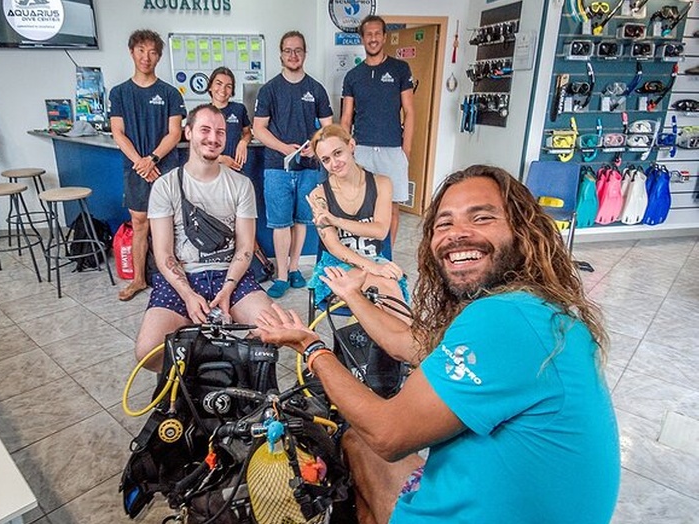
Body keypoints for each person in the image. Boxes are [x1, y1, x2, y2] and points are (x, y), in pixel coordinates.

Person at [256, 165, 620, 523]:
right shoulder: (536, 309)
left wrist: (312, 348)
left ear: (522, 230)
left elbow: (387, 434)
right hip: (498, 497)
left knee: (364, 441)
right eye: (444, 224)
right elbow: (409, 344)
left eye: (481, 218)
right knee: (357, 445)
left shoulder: (504, 318)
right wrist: (353, 296)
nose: (457, 234)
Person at [134, 104, 273, 371]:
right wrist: (187, 295)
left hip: (229, 275)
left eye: (220, 132)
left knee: (274, 331)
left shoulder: (241, 184)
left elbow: (245, 247)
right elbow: (163, 253)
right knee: (148, 352)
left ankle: (232, 375)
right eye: (205, 130)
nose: (213, 138)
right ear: (188, 133)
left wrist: (227, 289)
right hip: (182, 277)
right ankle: (199, 373)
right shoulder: (165, 185)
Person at [253, 30, 333, 298]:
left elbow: (328, 128)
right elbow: (258, 128)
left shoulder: (316, 89)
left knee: (301, 220)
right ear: (281, 54)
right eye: (288, 50)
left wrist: (316, 146)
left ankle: (295, 268)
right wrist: (283, 148)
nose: (293, 55)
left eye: (298, 50)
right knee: (280, 223)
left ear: (305, 53)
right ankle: (281, 275)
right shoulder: (269, 90)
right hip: (277, 167)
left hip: (308, 168)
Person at [109, 29, 186, 301]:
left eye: (152, 52)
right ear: (132, 52)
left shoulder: (170, 93)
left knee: (170, 223)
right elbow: (118, 133)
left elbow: (174, 133)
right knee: (139, 222)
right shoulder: (119, 93)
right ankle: (139, 280)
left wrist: (152, 159)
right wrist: (141, 164)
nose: (146, 57)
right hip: (135, 168)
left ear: (159, 57)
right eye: (141, 50)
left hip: (164, 167)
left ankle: (175, 280)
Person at [305, 124, 408, 312]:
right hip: (336, 267)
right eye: (326, 160)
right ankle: (408, 332)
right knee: (388, 290)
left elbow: (380, 230)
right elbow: (333, 247)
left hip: (374, 260)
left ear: (351, 145)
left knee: (387, 293)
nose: (334, 163)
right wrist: (371, 268)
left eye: (338, 153)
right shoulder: (318, 196)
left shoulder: (382, 183)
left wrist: (336, 221)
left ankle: (398, 331)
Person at [341, 15, 415, 248]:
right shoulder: (353, 76)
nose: (373, 38)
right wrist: (345, 151)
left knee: (391, 207)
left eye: (377, 34)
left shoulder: (400, 69)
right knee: (361, 205)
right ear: (362, 38)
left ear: (384, 37)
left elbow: (409, 112)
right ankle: (363, 253)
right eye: (368, 34)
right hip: (361, 150)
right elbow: (346, 118)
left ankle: (386, 256)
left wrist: (405, 151)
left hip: (392, 150)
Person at [207, 67, 252, 172]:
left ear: (232, 91)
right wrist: (221, 159)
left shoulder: (239, 109)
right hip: (211, 169)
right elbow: (197, 148)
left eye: (228, 86)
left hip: (235, 168)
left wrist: (244, 142)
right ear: (210, 87)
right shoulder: (203, 113)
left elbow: (247, 132)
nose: (223, 89)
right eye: (219, 84)